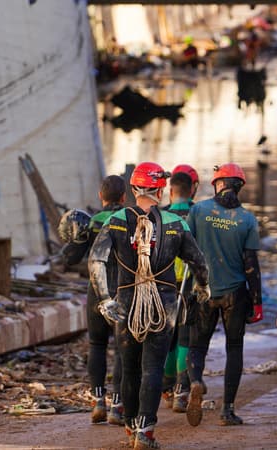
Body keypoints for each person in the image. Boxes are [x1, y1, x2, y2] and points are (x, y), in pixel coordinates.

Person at [89, 162, 211, 450]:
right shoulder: (174, 223)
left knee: (129, 368)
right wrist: (202, 287)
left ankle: (131, 428)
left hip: (126, 304)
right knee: (152, 368)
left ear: (133, 189)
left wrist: (105, 300)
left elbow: (96, 261)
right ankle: (146, 431)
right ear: (159, 189)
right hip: (164, 305)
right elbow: (198, 262)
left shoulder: (116, 220)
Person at [185, 163, 263, 427]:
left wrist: (186, 290)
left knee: (197, 346)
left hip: (203, 290)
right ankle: (227, 410)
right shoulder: (248, 220)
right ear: (239, 187)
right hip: (235, 293)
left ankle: (195, 381)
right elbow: (251, 264)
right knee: (234, 348)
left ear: (217, 184)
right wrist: (258, 301)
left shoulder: (197, 211)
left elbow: (187, 252)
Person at [60, 175, 126, 425]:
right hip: (121, 292)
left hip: (96, 292)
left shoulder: (91, 222)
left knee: (97, 346)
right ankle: (117, 406)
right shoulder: (129, 220)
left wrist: (72, 236)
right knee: (121, 350)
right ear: (123, 198)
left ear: (101, 197)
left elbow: (70, 259)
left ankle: (98, 401)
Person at [160, 172, 195, 413]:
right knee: (185, 338)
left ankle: (167, 388)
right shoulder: (198, 214)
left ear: (170, 192)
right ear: (192, 190)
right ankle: (183, 390)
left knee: (167, 340)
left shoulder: (160, 215)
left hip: (164, 284)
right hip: (190, 285)